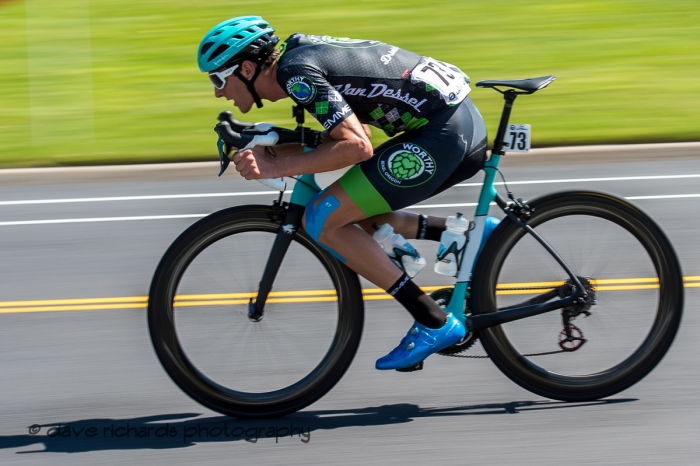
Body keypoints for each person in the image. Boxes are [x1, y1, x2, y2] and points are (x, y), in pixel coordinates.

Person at [197, 16, 488, 371]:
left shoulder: (296, 75)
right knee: (350, 208)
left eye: (217, 78)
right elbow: (346, 130)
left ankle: (433, 322)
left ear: (245, 68)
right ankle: (469, 235)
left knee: (322, 218)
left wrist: (273, 167)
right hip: (454, 125)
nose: (217, 91)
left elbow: (356, 146)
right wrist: (272, 142)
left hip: (442, 136)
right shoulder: (296, 60)